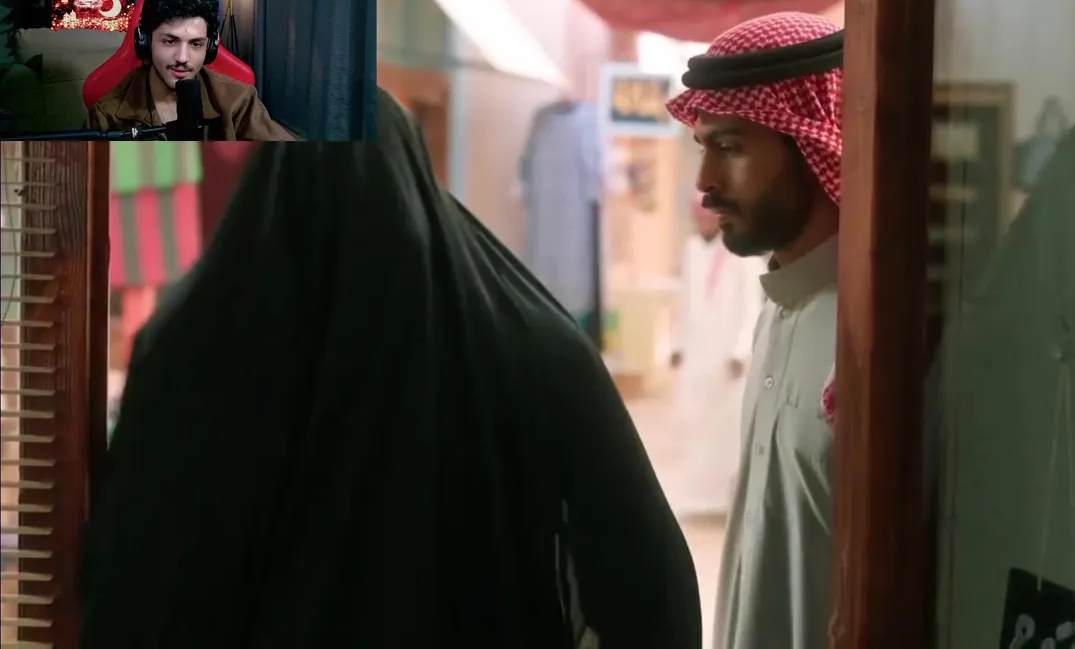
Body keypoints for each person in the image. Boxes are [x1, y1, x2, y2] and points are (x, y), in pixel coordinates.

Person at [78, 90, 702, 648]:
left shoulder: (195, 349)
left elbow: (133, 572)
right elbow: (648, 574)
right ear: (417, 182)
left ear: (269, 187)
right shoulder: (535, 346)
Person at [665, 11, 843, 649]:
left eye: (732, 147)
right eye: (703, 148)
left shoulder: (868, 330)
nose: (705, 183)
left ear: (814, 145)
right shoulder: (777, 307)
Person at [86, 0, 294, 141]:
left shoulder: (239, 101)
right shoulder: (107, 115)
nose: (182, 58)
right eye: (170, 41)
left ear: (210, 48)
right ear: (146, 42)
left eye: (196, 44)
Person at [670, 193, 765, 517]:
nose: (704, 222)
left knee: (728, 432)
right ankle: (700, 496)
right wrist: (678, 344)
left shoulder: (744, 255)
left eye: (709, 216)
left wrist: (740, 350)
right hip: (699, 356)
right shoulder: (692, 250)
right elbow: (686, 302)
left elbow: (751, 308)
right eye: (700, 216)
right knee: (696, 426)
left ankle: (727, 500)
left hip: (729, 361)